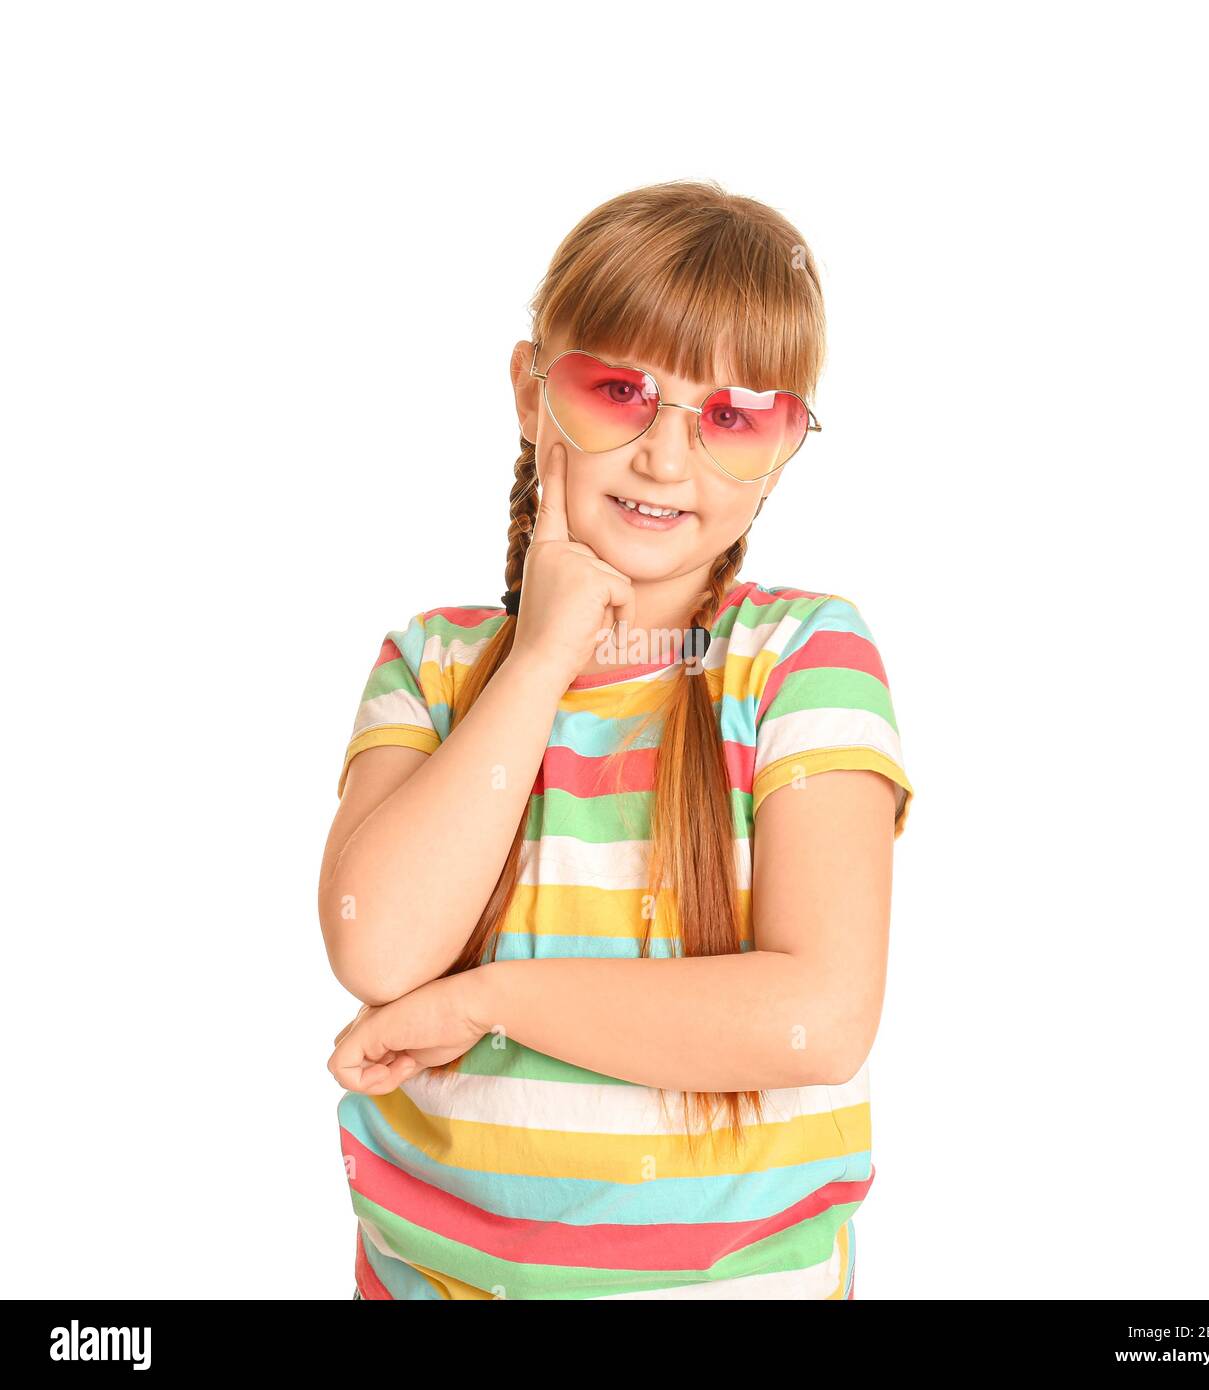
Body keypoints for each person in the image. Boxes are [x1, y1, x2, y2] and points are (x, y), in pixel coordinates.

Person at [321, 179, 914, 1300]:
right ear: (530, 390)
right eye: (619, 392)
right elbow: (378, 949)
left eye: (732, 415)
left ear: (783, 443)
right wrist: (542, 658)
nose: (663, 456)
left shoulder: (800, 659)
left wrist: (487, 1001)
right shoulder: (433, 667)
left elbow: (814, 1020)